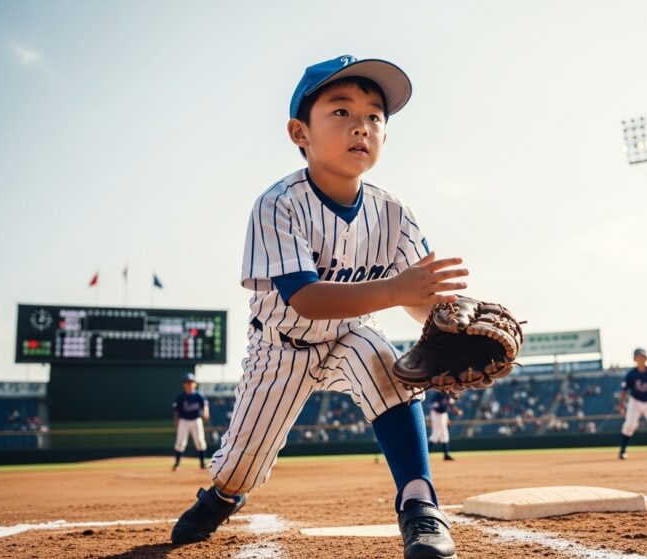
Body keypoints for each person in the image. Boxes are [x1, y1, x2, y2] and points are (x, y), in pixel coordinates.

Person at [170, 55, 467, 559]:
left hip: (352, 335)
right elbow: (305, 298)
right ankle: (222, 495)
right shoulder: (279, 203)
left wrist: (451, 331)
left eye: (375, 116)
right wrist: (398, 290)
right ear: (298, 132)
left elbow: (423, 300)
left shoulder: (394, 213)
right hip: (281, 347)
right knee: (242, 463)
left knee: (382, 360)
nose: (362, 126)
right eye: (341, 111)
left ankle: (420, 506)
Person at [172, 373, 209, 470]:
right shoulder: (181, 396)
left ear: (195, 384)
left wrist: (205, 412)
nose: (189, 384)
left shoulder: (199, 395)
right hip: (184, 420)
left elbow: (205, 405)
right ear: (184, 384)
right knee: (180, 442)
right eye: (187, 382)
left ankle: (202, 463)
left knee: (200, 441)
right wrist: (176, 420)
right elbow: (176, 410)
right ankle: (177, 463)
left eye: (191, 382)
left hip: (196, 420)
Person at [428, 391, 462, 461]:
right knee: (435, 435)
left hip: (443, 414)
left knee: (444, 435)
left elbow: (449, 405)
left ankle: (446, 455)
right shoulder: (437, 395)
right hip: (436, 414)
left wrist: (446, 417)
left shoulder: (446, 394)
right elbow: (435, 407)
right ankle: (424, 453)